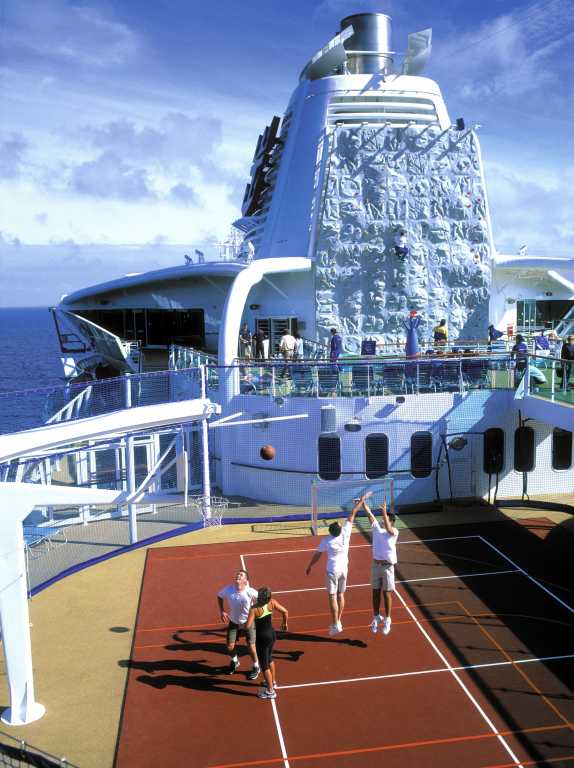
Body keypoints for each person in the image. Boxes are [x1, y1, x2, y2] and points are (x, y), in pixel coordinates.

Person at [305, 494, 365, 635]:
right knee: (341, 594)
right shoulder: (345, 532)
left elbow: (317, 555)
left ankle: (335, 624)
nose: (339, 523)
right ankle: (338, 621)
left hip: (332, 570)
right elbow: (353, 513)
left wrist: (310, 566)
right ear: (339, 530)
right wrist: (362, 500)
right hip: (344, 569)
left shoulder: (327, 540)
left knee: (332, 596)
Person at [359, 495, 399, 636]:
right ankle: (376, 617)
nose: (382, 519)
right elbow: (369, 513)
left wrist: (384, 512)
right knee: (375, 592)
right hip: (376, 565)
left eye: (386, 518)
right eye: (383, 518)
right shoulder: (376, 528)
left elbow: (388, 528)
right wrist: (362, 502)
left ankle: (387, 620)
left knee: (386, 593)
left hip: (388, 567)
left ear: (392, 521)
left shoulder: (394, 532)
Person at [246, 587, 288, 700]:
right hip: (271, 635)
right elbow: (285, 611)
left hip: (262, 639)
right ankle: (272, 682)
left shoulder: (254, 609)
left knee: (264, 666)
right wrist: (284, 623)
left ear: (260, 597)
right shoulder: (272, 603)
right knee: (270, 659)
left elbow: (248, 626)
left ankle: (270, 691)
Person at [217, 570, 260, 678]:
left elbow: (263, 600)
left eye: (241, 575)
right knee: (229, 646)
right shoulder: (229, 589)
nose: (238, 575)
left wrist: (257, 613)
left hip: (248, 622)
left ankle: (256, 666)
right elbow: (219, 596)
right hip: (234, 622)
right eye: (238, 574)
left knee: (251, 646)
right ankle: (235, 661)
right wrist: (222, 611)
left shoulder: (250, 591)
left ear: (245, 581)